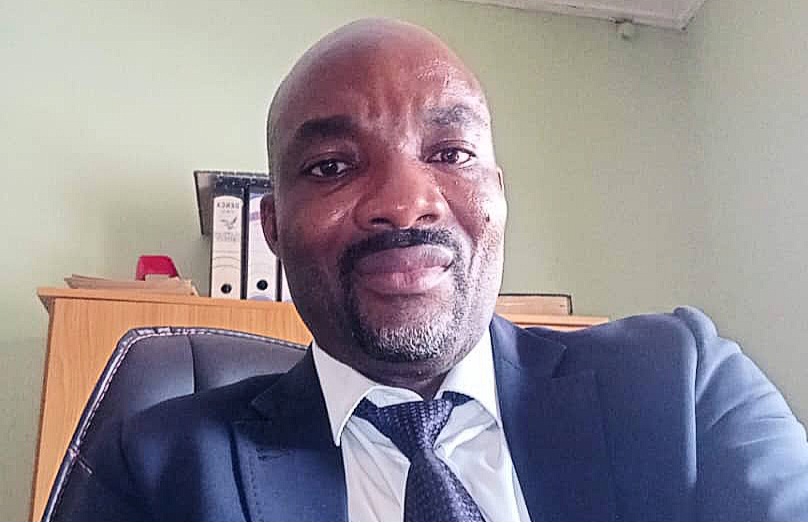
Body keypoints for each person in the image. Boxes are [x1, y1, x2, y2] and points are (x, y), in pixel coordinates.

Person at [58, 18, 808, 522]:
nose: (403, 202)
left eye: (450, 153)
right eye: (331, 166)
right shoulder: (156, 471)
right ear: (273, 229)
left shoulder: (682, 387)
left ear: (499, 197)